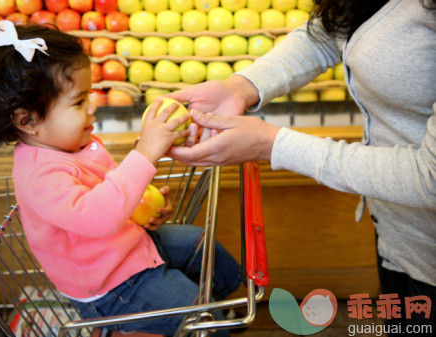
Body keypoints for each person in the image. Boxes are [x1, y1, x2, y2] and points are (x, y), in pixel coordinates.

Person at [167, 0, 436, 335]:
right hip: (399, 236)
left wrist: (273, 144)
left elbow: (431, 177)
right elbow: (328, 32)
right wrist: (239, 88)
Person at [0, 21, 241, 336]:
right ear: (27, 120)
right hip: (114, 286)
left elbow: (107, 187)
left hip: (129, 246)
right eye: (79, 102)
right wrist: (145, 153)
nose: (93, 108)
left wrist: (143, 205)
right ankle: (216, 321)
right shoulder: (40, 175)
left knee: (198, 242)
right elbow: (97, 217)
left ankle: (226, 303)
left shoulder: (73, 143)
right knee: (199, 317)